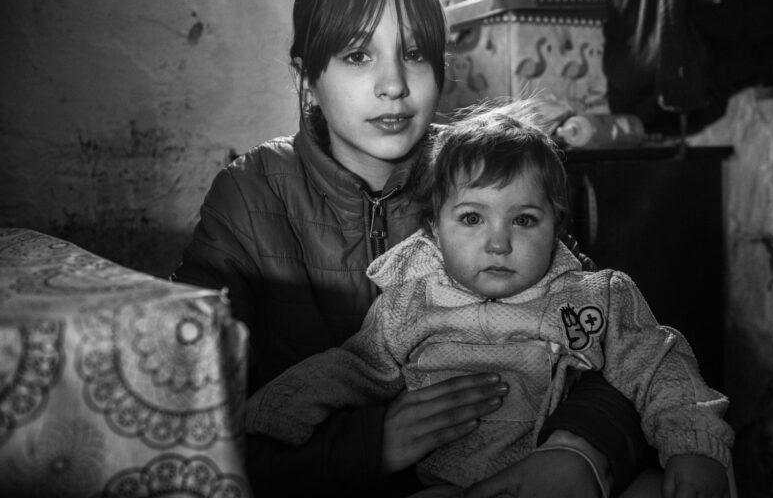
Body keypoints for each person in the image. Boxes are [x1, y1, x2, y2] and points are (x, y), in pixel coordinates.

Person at [173, 0, 655, 497]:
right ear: (306, 75)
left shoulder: (484, 173)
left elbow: (610, 336)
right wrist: (367, 444)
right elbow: (190, 412)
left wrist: (582, 449)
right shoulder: (249, 194)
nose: (394, 84)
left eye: (415, 53)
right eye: (358, 55)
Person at [245, 103, 735, 497]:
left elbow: (660, 364)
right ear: (435, 228)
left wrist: (696, 446)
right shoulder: (409, 304)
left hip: (566, 477)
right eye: (472, 219)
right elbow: (349, 369)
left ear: (557, 227)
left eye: (523, 220)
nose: (498, 243)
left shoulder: (593, 298)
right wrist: (264, 416)